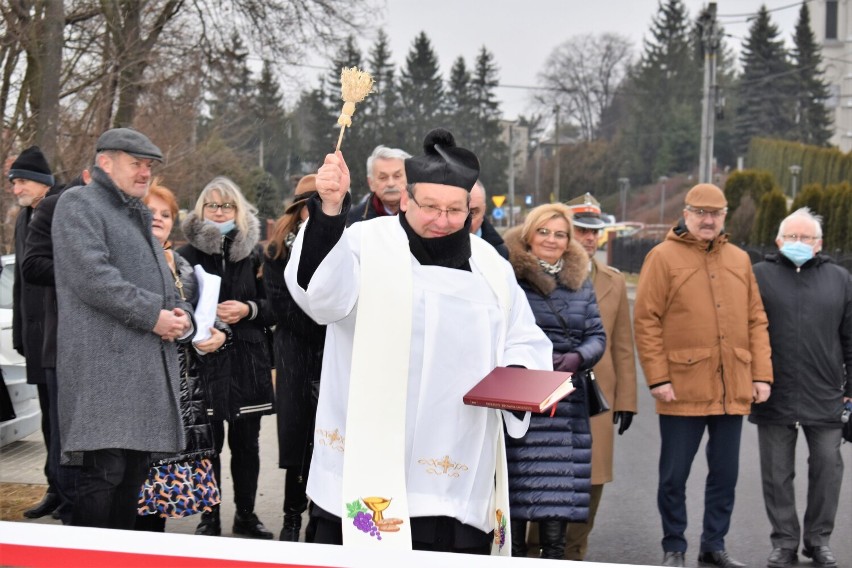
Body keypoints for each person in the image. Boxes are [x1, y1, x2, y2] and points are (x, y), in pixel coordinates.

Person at [284, 128, 552, 555]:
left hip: (454, 463)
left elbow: (523, 337)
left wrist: (519, 377)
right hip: (365, 465)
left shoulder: (490, 266)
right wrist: (331, 211)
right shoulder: (362, 244)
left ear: (470, 209)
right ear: (406, 199)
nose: (442, 221)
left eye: (455, 210)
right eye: (430, 207)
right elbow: (320, 298)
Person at [52, 128, 192, 529]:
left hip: (142, 370)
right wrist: (156, 316)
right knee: (104, 475)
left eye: (149, 165)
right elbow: (94, 279)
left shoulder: (138, 213)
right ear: (105, 162)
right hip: (103, 371)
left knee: (131, 477)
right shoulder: (78, 204)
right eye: (136, 163)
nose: (145, 172)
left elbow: (165, 286)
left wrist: (181, 316)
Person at [633, 183, 773, 568]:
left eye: (716, 213)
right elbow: (646, 320)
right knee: (673, 476)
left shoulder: (740, 260)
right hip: (681, 387)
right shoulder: (661, 258)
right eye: (701, 213)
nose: (708, 220)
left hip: (733, 387)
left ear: (724, 216)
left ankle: (714, 545)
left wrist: (761, 375)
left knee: (725, 476)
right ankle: (674, 545)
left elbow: (756, 319)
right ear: (687, 213)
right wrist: (658, 378)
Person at [503, 203, 606, 559]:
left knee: (556, 508)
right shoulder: (507, 276)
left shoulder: (581, 283)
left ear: (568, 241)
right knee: (512, 511)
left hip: (565, 405)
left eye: (560, 234)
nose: (551, 239)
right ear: (529, 235)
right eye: (544, 231)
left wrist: (577, 357)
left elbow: (597, 335)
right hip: (519, 405)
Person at [751, 208, 851, 568]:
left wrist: (850, 391)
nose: (798, 243)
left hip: (825, 394)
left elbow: (850, 339)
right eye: (791, 237)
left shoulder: (840, 279)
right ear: (778, 241)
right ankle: (785, 541)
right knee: (776, 474)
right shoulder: (758, 276)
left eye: (806, 237)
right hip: (773, 391)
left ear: (819, 243)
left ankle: (818, 540)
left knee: (828, 469)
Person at [179, 175, 276, 539]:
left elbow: (276, 308)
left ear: (239, 210)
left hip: (247, 363)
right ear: (200, 210)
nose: (219, 211)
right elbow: (175, 306)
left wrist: (248, 309)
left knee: (247, 447)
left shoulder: (256, 255)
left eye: (227, 205)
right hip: (203, 363)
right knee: (208, 446)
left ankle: (246, 516)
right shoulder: (185, 255)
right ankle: (209, 517)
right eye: (212, 205)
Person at [134, 180, 228, 532]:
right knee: (130, 499)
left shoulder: (181, 262)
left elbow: (204, 311)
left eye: (165, 214)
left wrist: (221, 333)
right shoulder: (124, 258)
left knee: (154, 506)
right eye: (150, 211)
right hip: (140, 392)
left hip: (179, 393)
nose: (158, 219)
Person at [564, 192, 638, 560]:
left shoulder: (612, 280)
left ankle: (575, 552)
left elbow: (623, 346)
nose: (590, 238)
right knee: (541, 481)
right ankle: (532, 553)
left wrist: (626, 400)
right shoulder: (540, 272)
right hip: (553, 393)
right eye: (582, 230)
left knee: (590, 481)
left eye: (595, 232)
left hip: (598, 400)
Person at [21, 168, 90, 524]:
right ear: (92, 172)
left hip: (111, 349)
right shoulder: (53, 207)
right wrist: (86, 272)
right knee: (67, 442)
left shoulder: (131, 210)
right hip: (63, 345)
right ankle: (70, 514)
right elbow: (32, 267)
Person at [263, 174, 326, 542]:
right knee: (300, 441)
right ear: (300, 209)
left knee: (329, 441)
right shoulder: (276, 251)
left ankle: (321, 519)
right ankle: (291, 518)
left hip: (333, 356)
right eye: (311, 205)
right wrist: (328, 324)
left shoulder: (343, 245)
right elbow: (283, 308)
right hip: (297, 356)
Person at [10, 146, 61, 520]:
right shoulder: (23, 217)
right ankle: (55, 489)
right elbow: (19, 283)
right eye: (13, 182)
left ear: (42, 183)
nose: (15, 188)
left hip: (59, 337)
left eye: (22, 181)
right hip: (34, 336)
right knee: (47, 419)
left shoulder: (61, 209)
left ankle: (70, 492)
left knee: (63, 421)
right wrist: (18, 334)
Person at [346, 144, 411, 225]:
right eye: (383, 177)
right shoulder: (354, 220)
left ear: (409, 178)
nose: (391, 184)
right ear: (371, 183)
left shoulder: (425, 213)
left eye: (397, 176)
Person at [470, 180, 509, 259]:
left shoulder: (500, 254)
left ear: (484, 210)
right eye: (455, 210)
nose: (465, 221)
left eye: (472, 212)